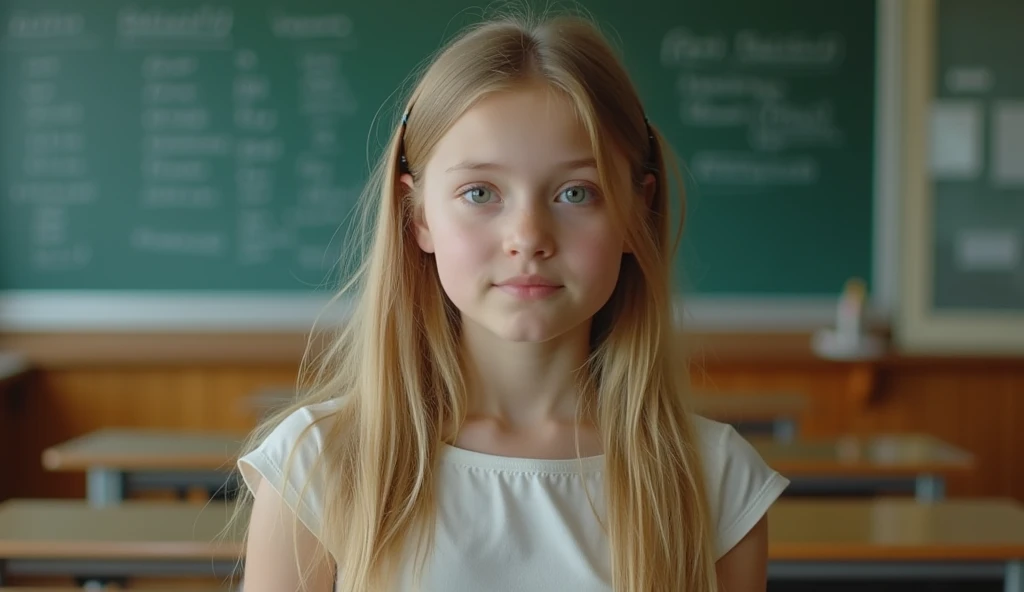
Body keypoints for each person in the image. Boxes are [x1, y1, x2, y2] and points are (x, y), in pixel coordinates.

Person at [235, 9, 788, 592]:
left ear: (635, 214)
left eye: (576, 192)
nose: (528, 237)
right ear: (418, 215)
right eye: (480, 192)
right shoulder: (319, 466)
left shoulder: (715, 479)